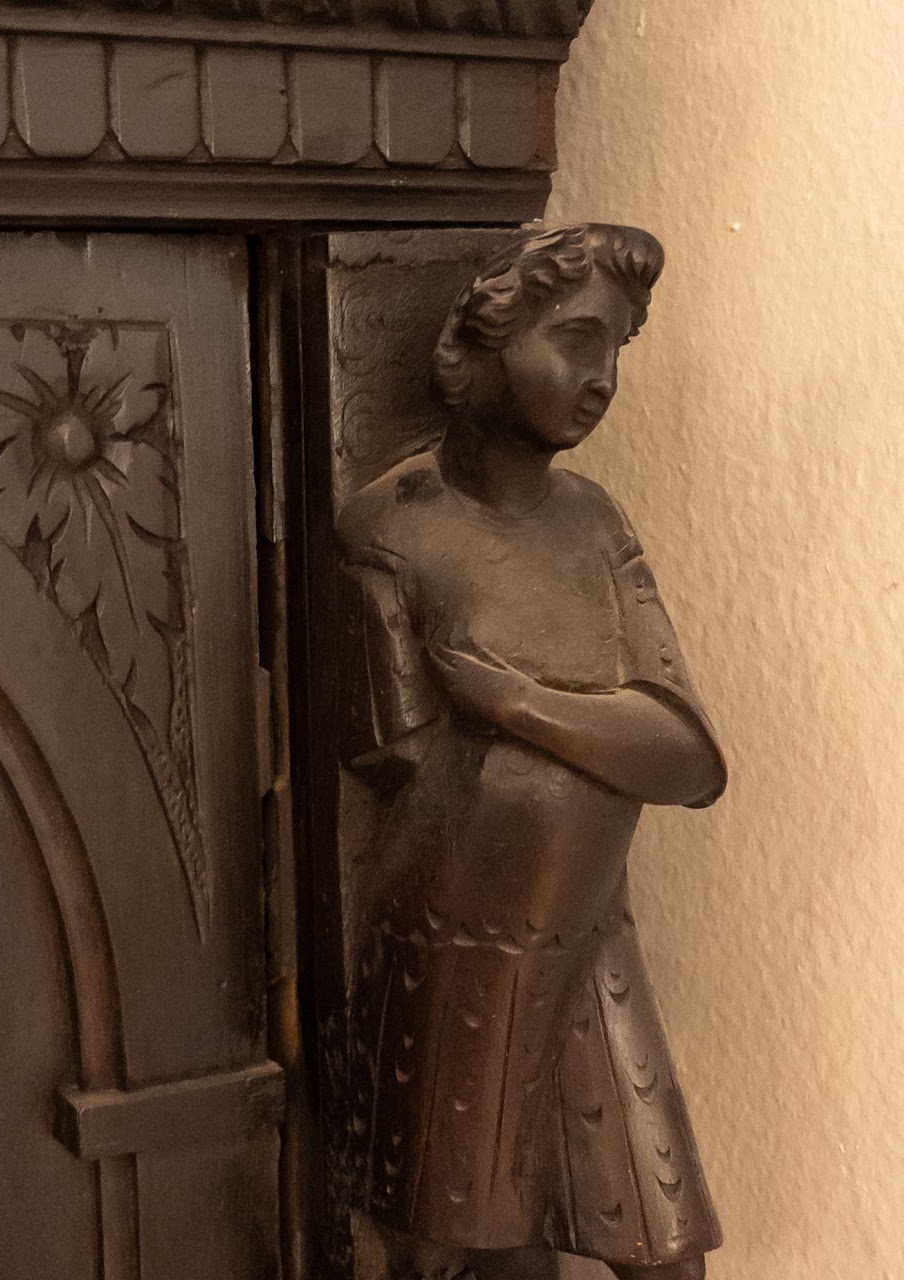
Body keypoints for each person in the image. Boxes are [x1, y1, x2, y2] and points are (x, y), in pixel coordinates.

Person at [338, 225, 727, 1280]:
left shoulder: (594, 523)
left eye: (617, 350)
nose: (599, 378)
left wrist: (517, 703)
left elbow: (685, 755)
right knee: (452, 1251)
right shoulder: (392, 528)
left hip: (589, 936)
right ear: (485, 339)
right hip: (454, 943)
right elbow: (390, 768)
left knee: (663, 1247)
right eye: (575, 340)